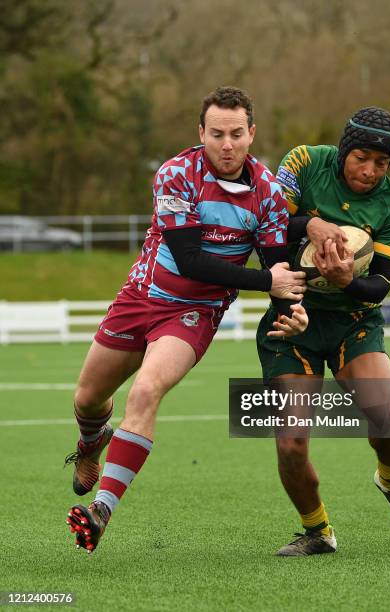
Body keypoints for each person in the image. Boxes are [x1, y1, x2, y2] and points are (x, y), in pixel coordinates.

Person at [64, 86, 309, 553]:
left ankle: (101, 510)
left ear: (252, 134)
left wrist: (291, 313)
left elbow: (278, 268)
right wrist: (266, 284)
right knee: (89, 397)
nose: (227, 144)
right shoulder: (176, 174)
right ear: (201, 133)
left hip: (195, 313)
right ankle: (91, 443)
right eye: (217, 133)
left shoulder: (270, 195)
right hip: (141, 296)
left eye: (237, 133)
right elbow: (192, 258)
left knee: (146, 389)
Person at [256, 106, 390, 556]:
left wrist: (346, 281)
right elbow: (265, 230)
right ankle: (317, 530)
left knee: (387, 415)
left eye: (381, 162)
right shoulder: (304, 163)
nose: (370, 171)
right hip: (292, 318)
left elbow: (378, 288)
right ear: (344, 150)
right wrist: (309, 223)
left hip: (354, 320)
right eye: (361, 158)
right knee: (292, 443)